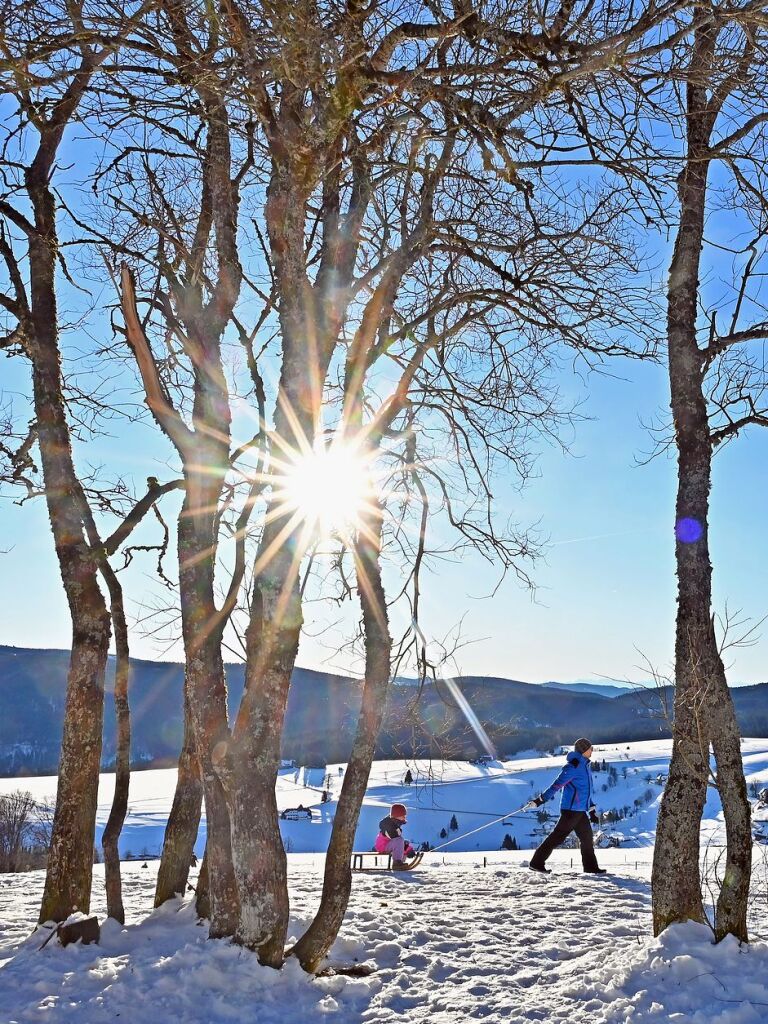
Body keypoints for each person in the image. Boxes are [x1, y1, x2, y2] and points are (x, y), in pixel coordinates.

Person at [525, 738, 607, 875]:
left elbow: (585, 791)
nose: (592, 750)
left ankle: (590, 867)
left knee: (587, 838)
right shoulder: (573, 767)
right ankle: (536, 863)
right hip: (571, 811)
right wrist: (540, 800)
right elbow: (556, 785)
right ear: (583, 750)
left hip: (580, 811)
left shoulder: (584, 766)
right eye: (590, 748)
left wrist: (591, 810)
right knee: (558, 837)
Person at [375, 803, 415, 870]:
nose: (405, 817)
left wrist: (408, 849)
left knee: (403, 841)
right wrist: (407, 849)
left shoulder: (395, 825)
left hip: (387, 844)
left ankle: (400, 862)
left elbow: (397, 842)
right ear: (397, 815)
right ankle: (397, 863)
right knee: (400, 840)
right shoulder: (389, 825)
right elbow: (396, 839)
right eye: (403, 815)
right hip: (383, 846)